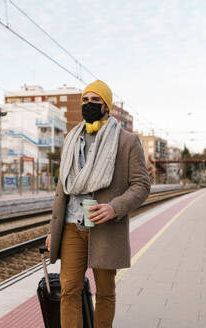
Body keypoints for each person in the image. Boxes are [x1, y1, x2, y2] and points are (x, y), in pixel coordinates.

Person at [45, 80, 150, 328]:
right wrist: (53, 230)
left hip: (104, 228)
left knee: (104, 292)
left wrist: (115, 207)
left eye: (95, 101)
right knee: (69, 290)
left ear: (107, 106)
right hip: (71, 227)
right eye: (85, 100)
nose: (88, 105)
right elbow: (62, 190)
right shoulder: (71, 139)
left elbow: (142, 186)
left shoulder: (126, 141)